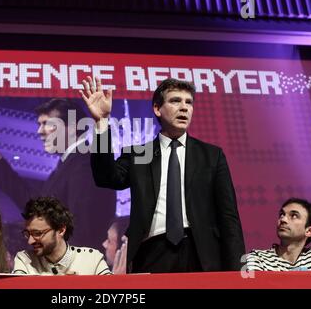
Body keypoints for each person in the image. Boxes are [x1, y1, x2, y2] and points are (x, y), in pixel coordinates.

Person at [80, 76, 245, 273]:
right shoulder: (141, 153)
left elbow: (229, 217)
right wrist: (101, 122)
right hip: (152, 252)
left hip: (202, 254)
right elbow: (106, 177)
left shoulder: (211, 155)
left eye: (189, 102)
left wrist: (237, 272)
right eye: (175, 101)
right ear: (157, 109)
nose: (184, 107)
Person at [0, 98, 116, 250]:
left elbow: (83, 231)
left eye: (47, 124)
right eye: (39, 124)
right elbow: (35, 206)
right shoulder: (71, 163)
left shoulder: (85, 164)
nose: (39, 131)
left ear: (72, 127)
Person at [12, 196, 111, 275]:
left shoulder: (92, 259)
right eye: (27, 234)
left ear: (61, 230)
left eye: (37, 234)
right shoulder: (25, 259)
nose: (30, 241)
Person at [246, 198, 311, 271]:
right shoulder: (257, 257)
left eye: (294, 216)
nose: (283, 219)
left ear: (309, 231)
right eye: (282, 214)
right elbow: (254, 285)